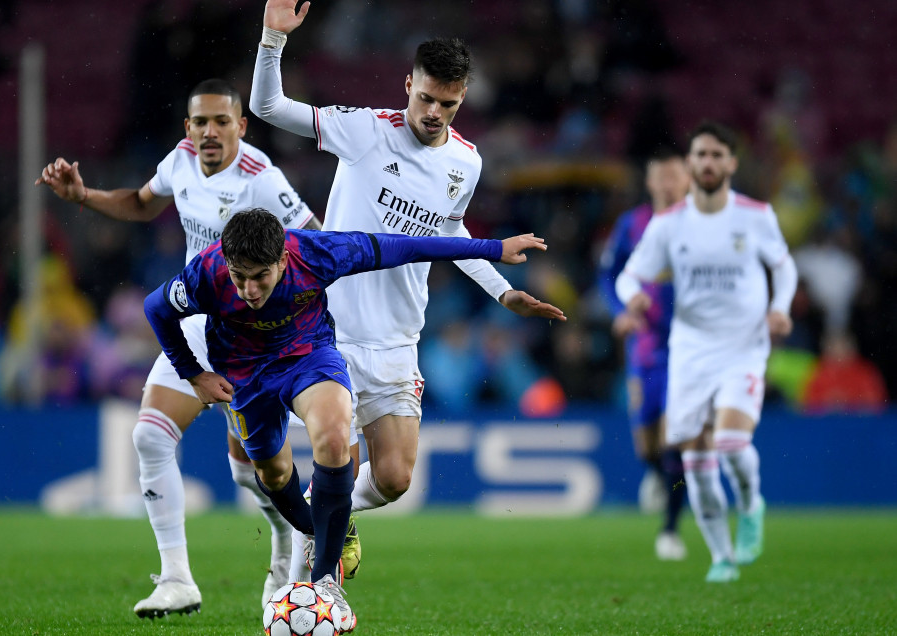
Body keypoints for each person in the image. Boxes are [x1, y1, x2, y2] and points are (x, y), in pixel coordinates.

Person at [250, 0, 566, 582]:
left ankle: (331, 514)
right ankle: (302, 592)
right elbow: (267, 106)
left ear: (464, 96)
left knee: (394, 477)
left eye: (447, 103)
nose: (433, 112)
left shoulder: (465, 163)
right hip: (331, 329)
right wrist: (273, 41)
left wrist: (502, 293)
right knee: (329, 456)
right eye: (425, 98)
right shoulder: (366, 130)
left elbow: (449, 230)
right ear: (408, 86)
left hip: (397, 335)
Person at [143, 208, 551, 633]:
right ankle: (320, 527)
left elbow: (407, 247)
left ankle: (324, 583)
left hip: (309, 357)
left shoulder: (317, 253)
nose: (248, 289)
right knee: (273, 470)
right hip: (244, 374)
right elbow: (156, 309)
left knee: (337, 437)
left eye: (260, 276)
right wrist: (193, 373)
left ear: (283, 259)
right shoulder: (206, 273)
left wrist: (494, 248)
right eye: (239, 275)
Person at [35, 78, 342, 616]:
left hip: (254, 333)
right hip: (197, 324)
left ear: (241, 126)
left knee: (252, 472)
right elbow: (139, 203)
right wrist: (83, 197)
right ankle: (177, 579)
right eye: (200, 122)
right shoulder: (178, 161)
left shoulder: (262, 179)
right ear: (188, 129)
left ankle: (288, 544)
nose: (209, 132)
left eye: (222, 121)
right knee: (150, 435)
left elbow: (315, 242)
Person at [616, 121, 798, 582]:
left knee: (732, 443)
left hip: (743, 348)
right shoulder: (669, 224)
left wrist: (779, 308)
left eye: (718, 155)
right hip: (690, 354)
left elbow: (784, 266)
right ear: (691, 164)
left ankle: (751, 503)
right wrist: (631, 296)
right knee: (695, 460)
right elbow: (629, 274)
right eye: (701, 155)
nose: (709, 163)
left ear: (732, 163)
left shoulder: (755, 215)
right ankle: (722, 557)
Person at [598, 147, 691, 561]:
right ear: (651, 182)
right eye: (662, 176)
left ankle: (670, 530)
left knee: (677, 441)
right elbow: (609, 273)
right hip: (646, 347)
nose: (670, 183)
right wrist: (621, 312)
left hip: (691, 347)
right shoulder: (632, 225)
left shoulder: (704, 224)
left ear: (687, 179)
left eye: (677, 175)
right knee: (648, 448)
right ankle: (660, 479)